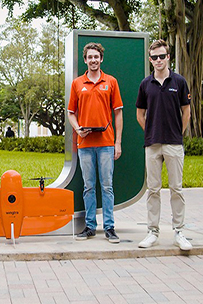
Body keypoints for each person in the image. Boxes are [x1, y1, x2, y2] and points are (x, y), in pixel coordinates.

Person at [136, 39, 192, 251]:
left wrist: (179, 132)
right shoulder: (145, 84)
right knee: (153, 189)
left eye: (162, 56)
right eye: (154, 57)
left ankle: (179, 231)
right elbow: (139, 114)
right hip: (152, 144)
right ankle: (153, 231)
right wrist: (149, 130)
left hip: (174, 144)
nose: (158, 60)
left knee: (176, 189)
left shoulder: (179, 82)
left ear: (168, 57)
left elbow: (186, 111)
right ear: (150, 60)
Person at [67, 42, 123, 243]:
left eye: (96, 57)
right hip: (85, 144)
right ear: (85, 60)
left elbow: (118, 113)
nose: (93, 60)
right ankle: (90, 226)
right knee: (88, 187)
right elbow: (71, 113)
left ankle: (110, 227)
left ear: (101, 59)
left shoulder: (111, 82)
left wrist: (118, 142)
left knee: (107, 186)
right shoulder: (77, 84)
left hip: (107, 144)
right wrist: (77, 129)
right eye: (90, 57)